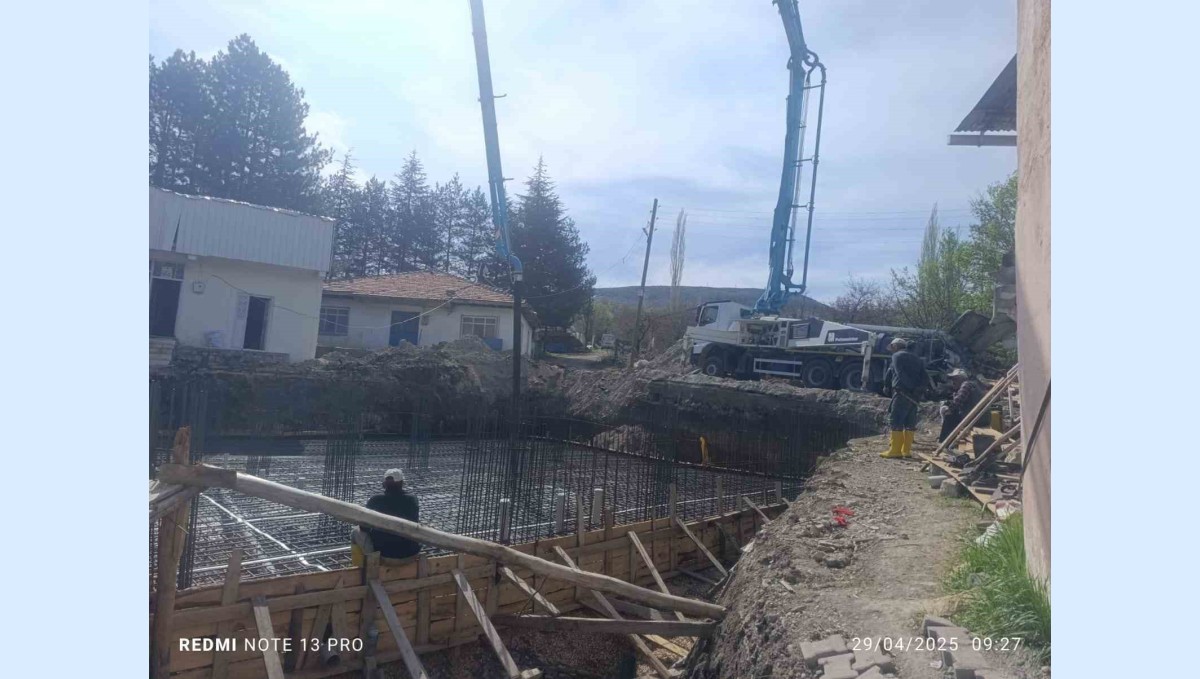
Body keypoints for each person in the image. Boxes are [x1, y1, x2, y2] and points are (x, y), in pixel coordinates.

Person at [351, 468, 421, 565]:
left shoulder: (375, 500)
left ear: (384, 484)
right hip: (411, 555)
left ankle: (359, 569)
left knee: (355, 531)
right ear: (402, 483)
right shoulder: (412, 500)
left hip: (384, 557)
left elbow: (363, 528)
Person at [880, 337, 926, 459]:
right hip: (914, 396)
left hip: (902, 393)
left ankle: (895, 451)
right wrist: (917, 392)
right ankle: (906, 451)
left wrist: (907, 388)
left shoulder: (897, 356)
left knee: (896, 420)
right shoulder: (917, 358)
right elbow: (924, 377)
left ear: (895, 346)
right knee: (909, 423)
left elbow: (899, 374)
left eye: (892, 347)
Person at [939, 368, 983, 442]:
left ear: (961, 379)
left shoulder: (965, 385)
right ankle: (949, 440)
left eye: (955, 379)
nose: (953, 382)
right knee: (952, 413)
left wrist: (947, 409)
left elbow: (957, 402)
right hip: (979, 416)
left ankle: (946, 442)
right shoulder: (972, 385)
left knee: (950, 416)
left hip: (975, 418)